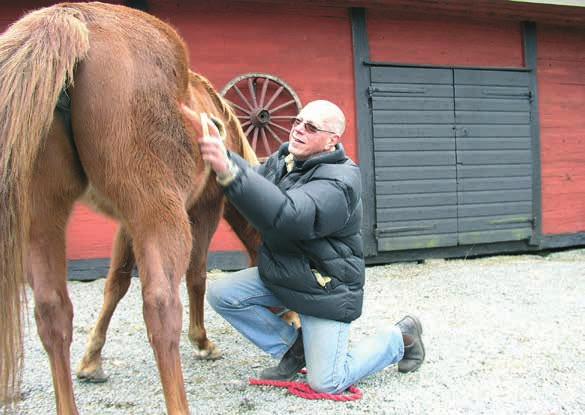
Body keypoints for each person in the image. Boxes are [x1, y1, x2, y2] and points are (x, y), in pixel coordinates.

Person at [181, 100, 425, 394]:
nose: (298, 130)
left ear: (331, 140)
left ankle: (401, 337)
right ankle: (298, 347)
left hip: (325, 287)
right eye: (298, 121)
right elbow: (256, 181)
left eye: (311, 127)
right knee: (224, 295)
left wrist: (229, 168)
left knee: (327, 382)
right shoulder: (286, 160)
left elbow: (290, 217)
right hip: (286, 273)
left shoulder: (341, 181)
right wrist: (218, 149)